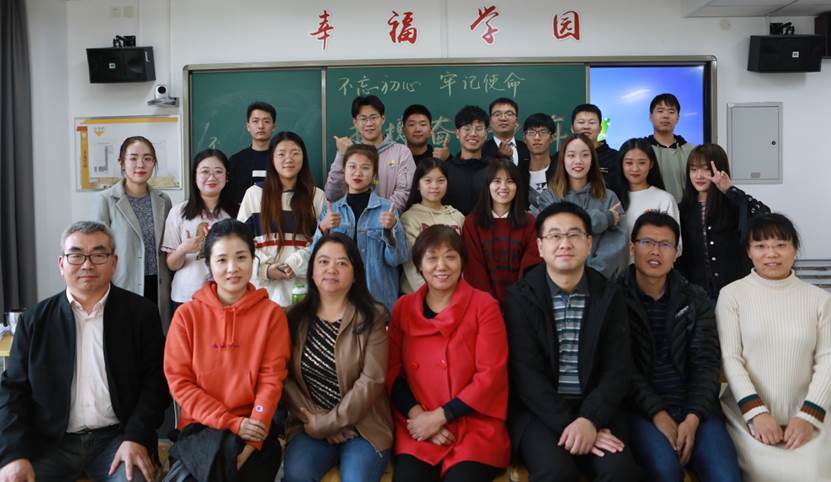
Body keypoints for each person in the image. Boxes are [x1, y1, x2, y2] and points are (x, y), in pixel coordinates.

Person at [0, 221, 170, 482]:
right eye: (76, 255)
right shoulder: (34, 320)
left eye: (98, 255)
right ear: (61, 264)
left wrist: (135, 437)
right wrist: (13, 453)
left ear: (113, 262)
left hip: (118, 439)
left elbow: (156, 383)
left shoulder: (141, 314)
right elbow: (13, 391)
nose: (87, 265)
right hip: (50, 442)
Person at [504, 202, 641, 482]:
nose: (564, 243)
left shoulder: (609, 296)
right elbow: (526, 375)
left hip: (597, 410)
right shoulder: (520, 297)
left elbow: (618, 369)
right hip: (539, 413)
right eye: (555, 235)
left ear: (588, 243)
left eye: (574, 235)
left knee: (619, 471)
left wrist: (589, 420)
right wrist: (572, 424)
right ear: (540, 246)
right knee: (556, 471)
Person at [164, 219, 291, 481]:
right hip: (200, 428)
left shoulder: (271, 315)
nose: (232, 268)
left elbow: (271, 379)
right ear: (209, 264)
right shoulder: (187, 316)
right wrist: (232, 423)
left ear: (253, 260)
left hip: (254, 426)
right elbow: (180, 384)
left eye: (241, 257)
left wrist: (253, 436)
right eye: (222, 260)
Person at [621, 211, 740, 482]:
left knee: (726, 477)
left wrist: (693, 418)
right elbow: (623, 369)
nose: (655, 251)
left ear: (676, 253)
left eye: (665, 244)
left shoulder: (696, 299)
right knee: (666, 471)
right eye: (647, 242)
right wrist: (658, 414)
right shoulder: (614, 298)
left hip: (696, 409)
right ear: (632, 248)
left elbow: (707, 364)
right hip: (641, 411)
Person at [388, 225, 511, 482]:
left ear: (462, 262)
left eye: (450, 257)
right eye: (432, 258)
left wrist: (441, 416)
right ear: (419, 265)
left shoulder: (484, 305)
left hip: (473, 423)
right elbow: (392, 372)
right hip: (419, 422)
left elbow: (490, 375)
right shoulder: (403, 308)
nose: (441, 266)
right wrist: (420, 418)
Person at [717, 213, 831, 481]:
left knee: (814, 474)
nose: (771, 254)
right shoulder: (732, 295)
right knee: (761, 473)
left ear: (795, 249)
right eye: (761, 246)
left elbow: (827, 360)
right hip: (747, 419)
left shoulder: (820, 299)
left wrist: (808, 417)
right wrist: (757, 413)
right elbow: (730, 358)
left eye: (781, 245)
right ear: (749, 251)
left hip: (809, 416)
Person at [282, 233, 393, 482]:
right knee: (297, 475)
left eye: (342, 263)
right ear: (311, 271)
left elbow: (372, 380)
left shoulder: (373, 317)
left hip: (364, 426)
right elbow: (283, 377)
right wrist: (316, 420)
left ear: (355, 274)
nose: (331, 269)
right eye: (323, 262)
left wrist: (330, 423)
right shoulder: (292, 318)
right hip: (310, 423)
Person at [91, 135, 173, 330]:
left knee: (156, 340)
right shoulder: (106, 200)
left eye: (147, 158)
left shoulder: (164, 200)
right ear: (122, 162)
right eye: (133, 158)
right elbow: (97, 251)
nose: (140, 164)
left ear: (154, 163)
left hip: (159, 286)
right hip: (123, 284)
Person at [314, 144, 408, 311]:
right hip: (339, 301)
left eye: (365, 168)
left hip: (377, 301)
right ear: (344, 170)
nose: (358, 173)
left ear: (374, 175)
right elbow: (314, 259)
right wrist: (322, 228)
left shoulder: (387, 210)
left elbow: (397, 259)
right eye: (352, 166)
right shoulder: (331, 211)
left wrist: (392, 229)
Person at [237, 131, 327, 306]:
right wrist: (265, 270)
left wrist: (294, 264)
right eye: (281, 154)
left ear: (303, 158)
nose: (288, 159)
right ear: (271, 158)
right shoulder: (254, 194)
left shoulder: (316, 196)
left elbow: (321, 245)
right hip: (263, 293)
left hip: (302, 293)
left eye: (295, 153)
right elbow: (240, 244)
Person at [676, 143, 770, 299]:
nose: (699, 176)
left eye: (706, 169)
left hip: (736, 291)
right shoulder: (682, 209)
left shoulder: (734, 203)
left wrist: (729, 190)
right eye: (693, 169)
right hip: (697, 295)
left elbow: (764, 216)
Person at [534, 133, 628, 280]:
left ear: (592, 160)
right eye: (571, 155)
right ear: (563, 160)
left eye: (585, 155)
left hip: (600, 282)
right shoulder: (549, 197)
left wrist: (590, 278)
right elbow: (563, 230)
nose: (578, 161)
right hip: (558, 280)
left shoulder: (609, 197)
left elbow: (617, 246)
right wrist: (605, 218)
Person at [162, 149, 233, 312]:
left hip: (226, 295)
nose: (212, 177)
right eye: (205, 172)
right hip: (187, 295)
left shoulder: (236, 213)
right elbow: (171, 264)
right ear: (195, 177)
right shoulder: (178, 212)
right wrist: (183, 249)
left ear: (227, 177)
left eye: (218, 172)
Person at [462, 158, 540, 303]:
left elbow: (531, 267)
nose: (503, 187)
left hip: (522, 303)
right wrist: (489, 305)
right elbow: (474, 270)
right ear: (488, 185)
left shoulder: (529, 222)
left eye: (510, 181)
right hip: (483, 305)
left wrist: (517, 303)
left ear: (517, 186)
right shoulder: (472, 223)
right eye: (497, 181)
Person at [326, 95, 416, 212]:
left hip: (389, 220)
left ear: (383, 119)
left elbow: (405, 192)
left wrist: (379, 216)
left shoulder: (401, 152)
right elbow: (332, 194)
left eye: (374, 117)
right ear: (355, 122)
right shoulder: (349, 153)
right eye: (363, 119)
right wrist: (341, 155)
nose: (369, 123)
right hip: (352, 220)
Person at [400, 158, 465, 294]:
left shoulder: (457, 216)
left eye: (441, 180)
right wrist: (432, 296)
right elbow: (412, 265)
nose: (435, 186)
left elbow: (463, 260)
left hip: (455, 294)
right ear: (418, 185)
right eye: (428, 181)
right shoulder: (409, 218)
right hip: (420, 295)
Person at [614, 138, 681, 258]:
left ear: (651, 164)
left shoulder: (664, 199)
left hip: (653, 267)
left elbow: (676, 246)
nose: (635, 168)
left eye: (642, 163)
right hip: (617, 268)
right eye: (629, 163)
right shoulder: (612, 198)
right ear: (621, 164)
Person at [228, 101, 277, 212]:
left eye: (266, 121)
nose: (261, 126)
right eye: (255, 121)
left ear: (273, 126)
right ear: (248, 126)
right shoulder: (236, 160)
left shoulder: (282, 160)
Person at [483, 98, 531, 209]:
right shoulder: (482, 150)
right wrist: (498, 157)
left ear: (516, 120)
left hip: (522, 211)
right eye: (497, 114)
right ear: (490, 121)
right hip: (491, 211)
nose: (503, 118)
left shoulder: (527, 148)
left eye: (509, 114)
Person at [646, 93, 696, 202]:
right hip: (651, 210)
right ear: (650, 116)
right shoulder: (643, 150)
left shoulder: (692, 151)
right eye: (660, 111)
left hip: (687, 210)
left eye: (671, 112)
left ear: (678, 118)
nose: (665, 116)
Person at [444, 105, 490, 215]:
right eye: (467, 128)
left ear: (486, 134)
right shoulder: (445, 170)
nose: (473, 134)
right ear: (457, 133)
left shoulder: (495, 168)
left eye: (478, 129)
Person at [571, 103, 619, 193]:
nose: (586, 127)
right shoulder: (561, 157)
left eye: (592, 123)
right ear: (572, 128)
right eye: (581, 122)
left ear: (600, 128)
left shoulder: (615, 158)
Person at [523, 113, 558, 210]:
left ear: (552, 137)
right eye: (531, 132)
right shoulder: (518, 172)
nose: (537, 137)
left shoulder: (561, 169)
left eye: (543, 132)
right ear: (524, 138)